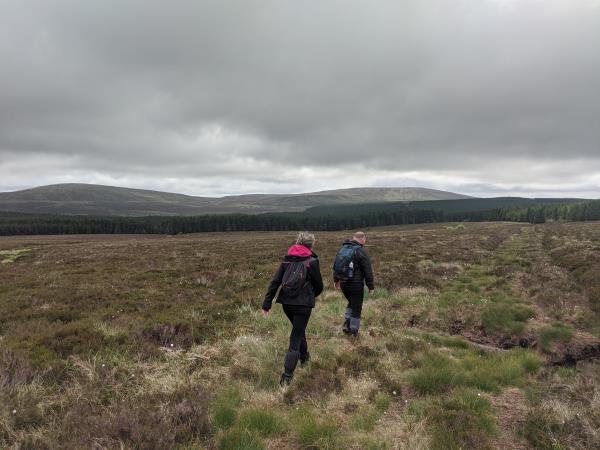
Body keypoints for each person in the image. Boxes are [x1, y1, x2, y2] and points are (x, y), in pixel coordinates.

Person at [262, 231, 324, 386]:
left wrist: (267, 304)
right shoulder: (312, 261)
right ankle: (287, 376)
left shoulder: (287, 260)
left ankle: (304, 357)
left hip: (287, 304)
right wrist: (311, 295)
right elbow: (319, 286)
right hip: (303, 305)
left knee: (298, 330)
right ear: (311, 244)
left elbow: (275, 282)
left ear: (297, 242)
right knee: (295, 336)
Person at [333, 231, 374, 336]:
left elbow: (336, 265)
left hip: (343, 283)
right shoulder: (360, 251)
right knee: (356, 307)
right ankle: (353, 332)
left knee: (351, 303)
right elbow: (367, 270)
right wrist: (370, 286)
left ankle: (347, 324)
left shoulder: (343, 249)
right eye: (365, 239)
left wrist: (336, 280)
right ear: (362, 239)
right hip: (355, 284)